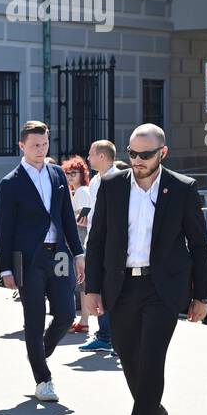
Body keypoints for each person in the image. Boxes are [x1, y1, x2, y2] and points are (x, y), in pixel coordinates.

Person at [84, 124, 207, 415]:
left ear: (162, 153)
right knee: (128, 358)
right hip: (121, 286)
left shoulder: (182, 189)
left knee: (152, 360)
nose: (137, 160)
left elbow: (199, 245)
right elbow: (97, 241)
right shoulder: (110, 186)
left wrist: (203, 294)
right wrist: (91, 289)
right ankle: (153, 409)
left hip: (162, 288)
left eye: (145, 154)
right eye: (132, 153)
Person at [0, 120, 85, 402]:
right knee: (33, 320)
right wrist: (5, 268)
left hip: (59, 254)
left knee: (66, 314)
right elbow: (5, 229)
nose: (41, 149)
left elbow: (67, 218)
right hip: (28, 258)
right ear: (22, 146)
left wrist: (78, 253)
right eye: (35, 145)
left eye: (45, 144)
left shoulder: (58, 174)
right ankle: (43, 379)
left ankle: (38, 353)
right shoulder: (10, 183)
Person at [81, 140, 120, 352]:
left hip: (110, 245)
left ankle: (115, 337)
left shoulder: (120, 179)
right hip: (95, 243)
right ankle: (105, 336)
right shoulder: (96, 180)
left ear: (102, 156)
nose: (88, 158)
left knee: (111, 290)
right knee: (96, 288)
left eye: (91, 154)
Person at [63, 155, 94, 336]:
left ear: (82, 174)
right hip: (79, 238)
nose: (70, 177)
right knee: (81, 283)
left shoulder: (82, 191)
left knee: (80, 282)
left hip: (79, 239)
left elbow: (83, 219)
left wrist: (70, 219)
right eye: (68, 173)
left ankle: (83, 321)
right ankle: (83, 321)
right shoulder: (77, 191)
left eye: (74, 173)